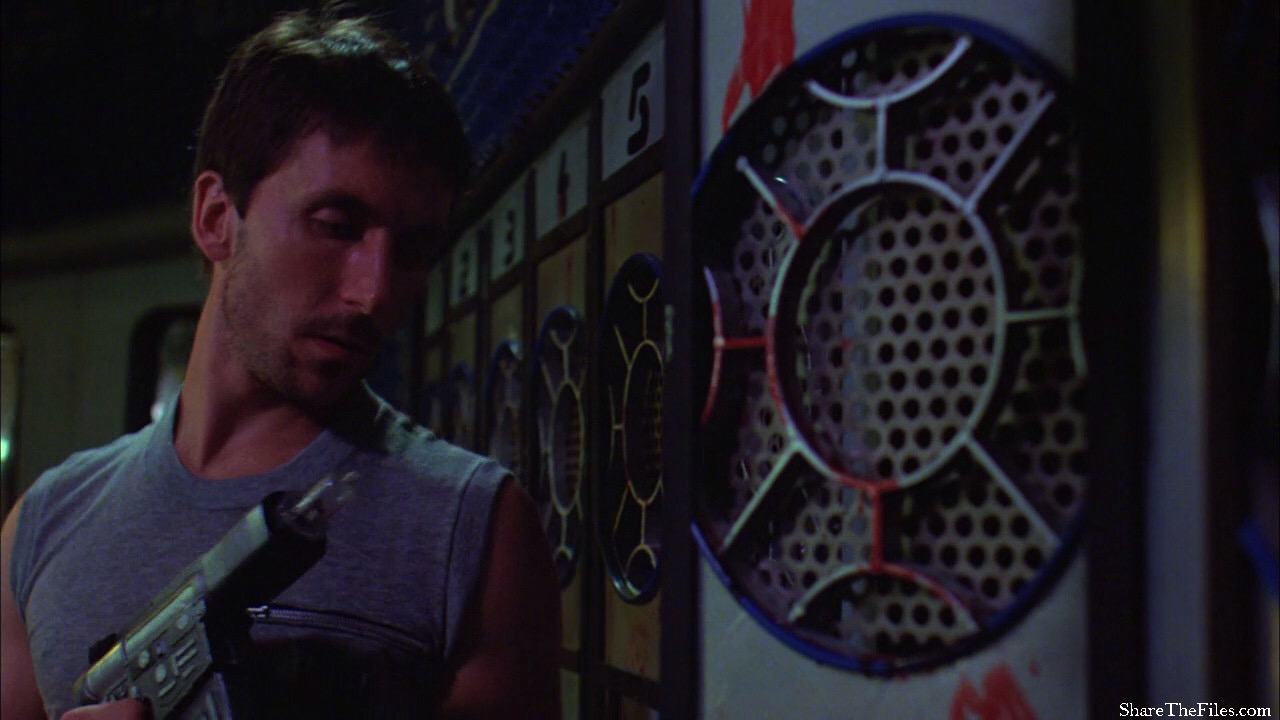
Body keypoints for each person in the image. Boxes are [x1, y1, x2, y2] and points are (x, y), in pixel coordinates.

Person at [0, 8, 560, 719]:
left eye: (414, 251)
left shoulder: (474, 528)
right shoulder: (46, 523)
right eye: (335, 226)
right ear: (216, 217)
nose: (374, 293)